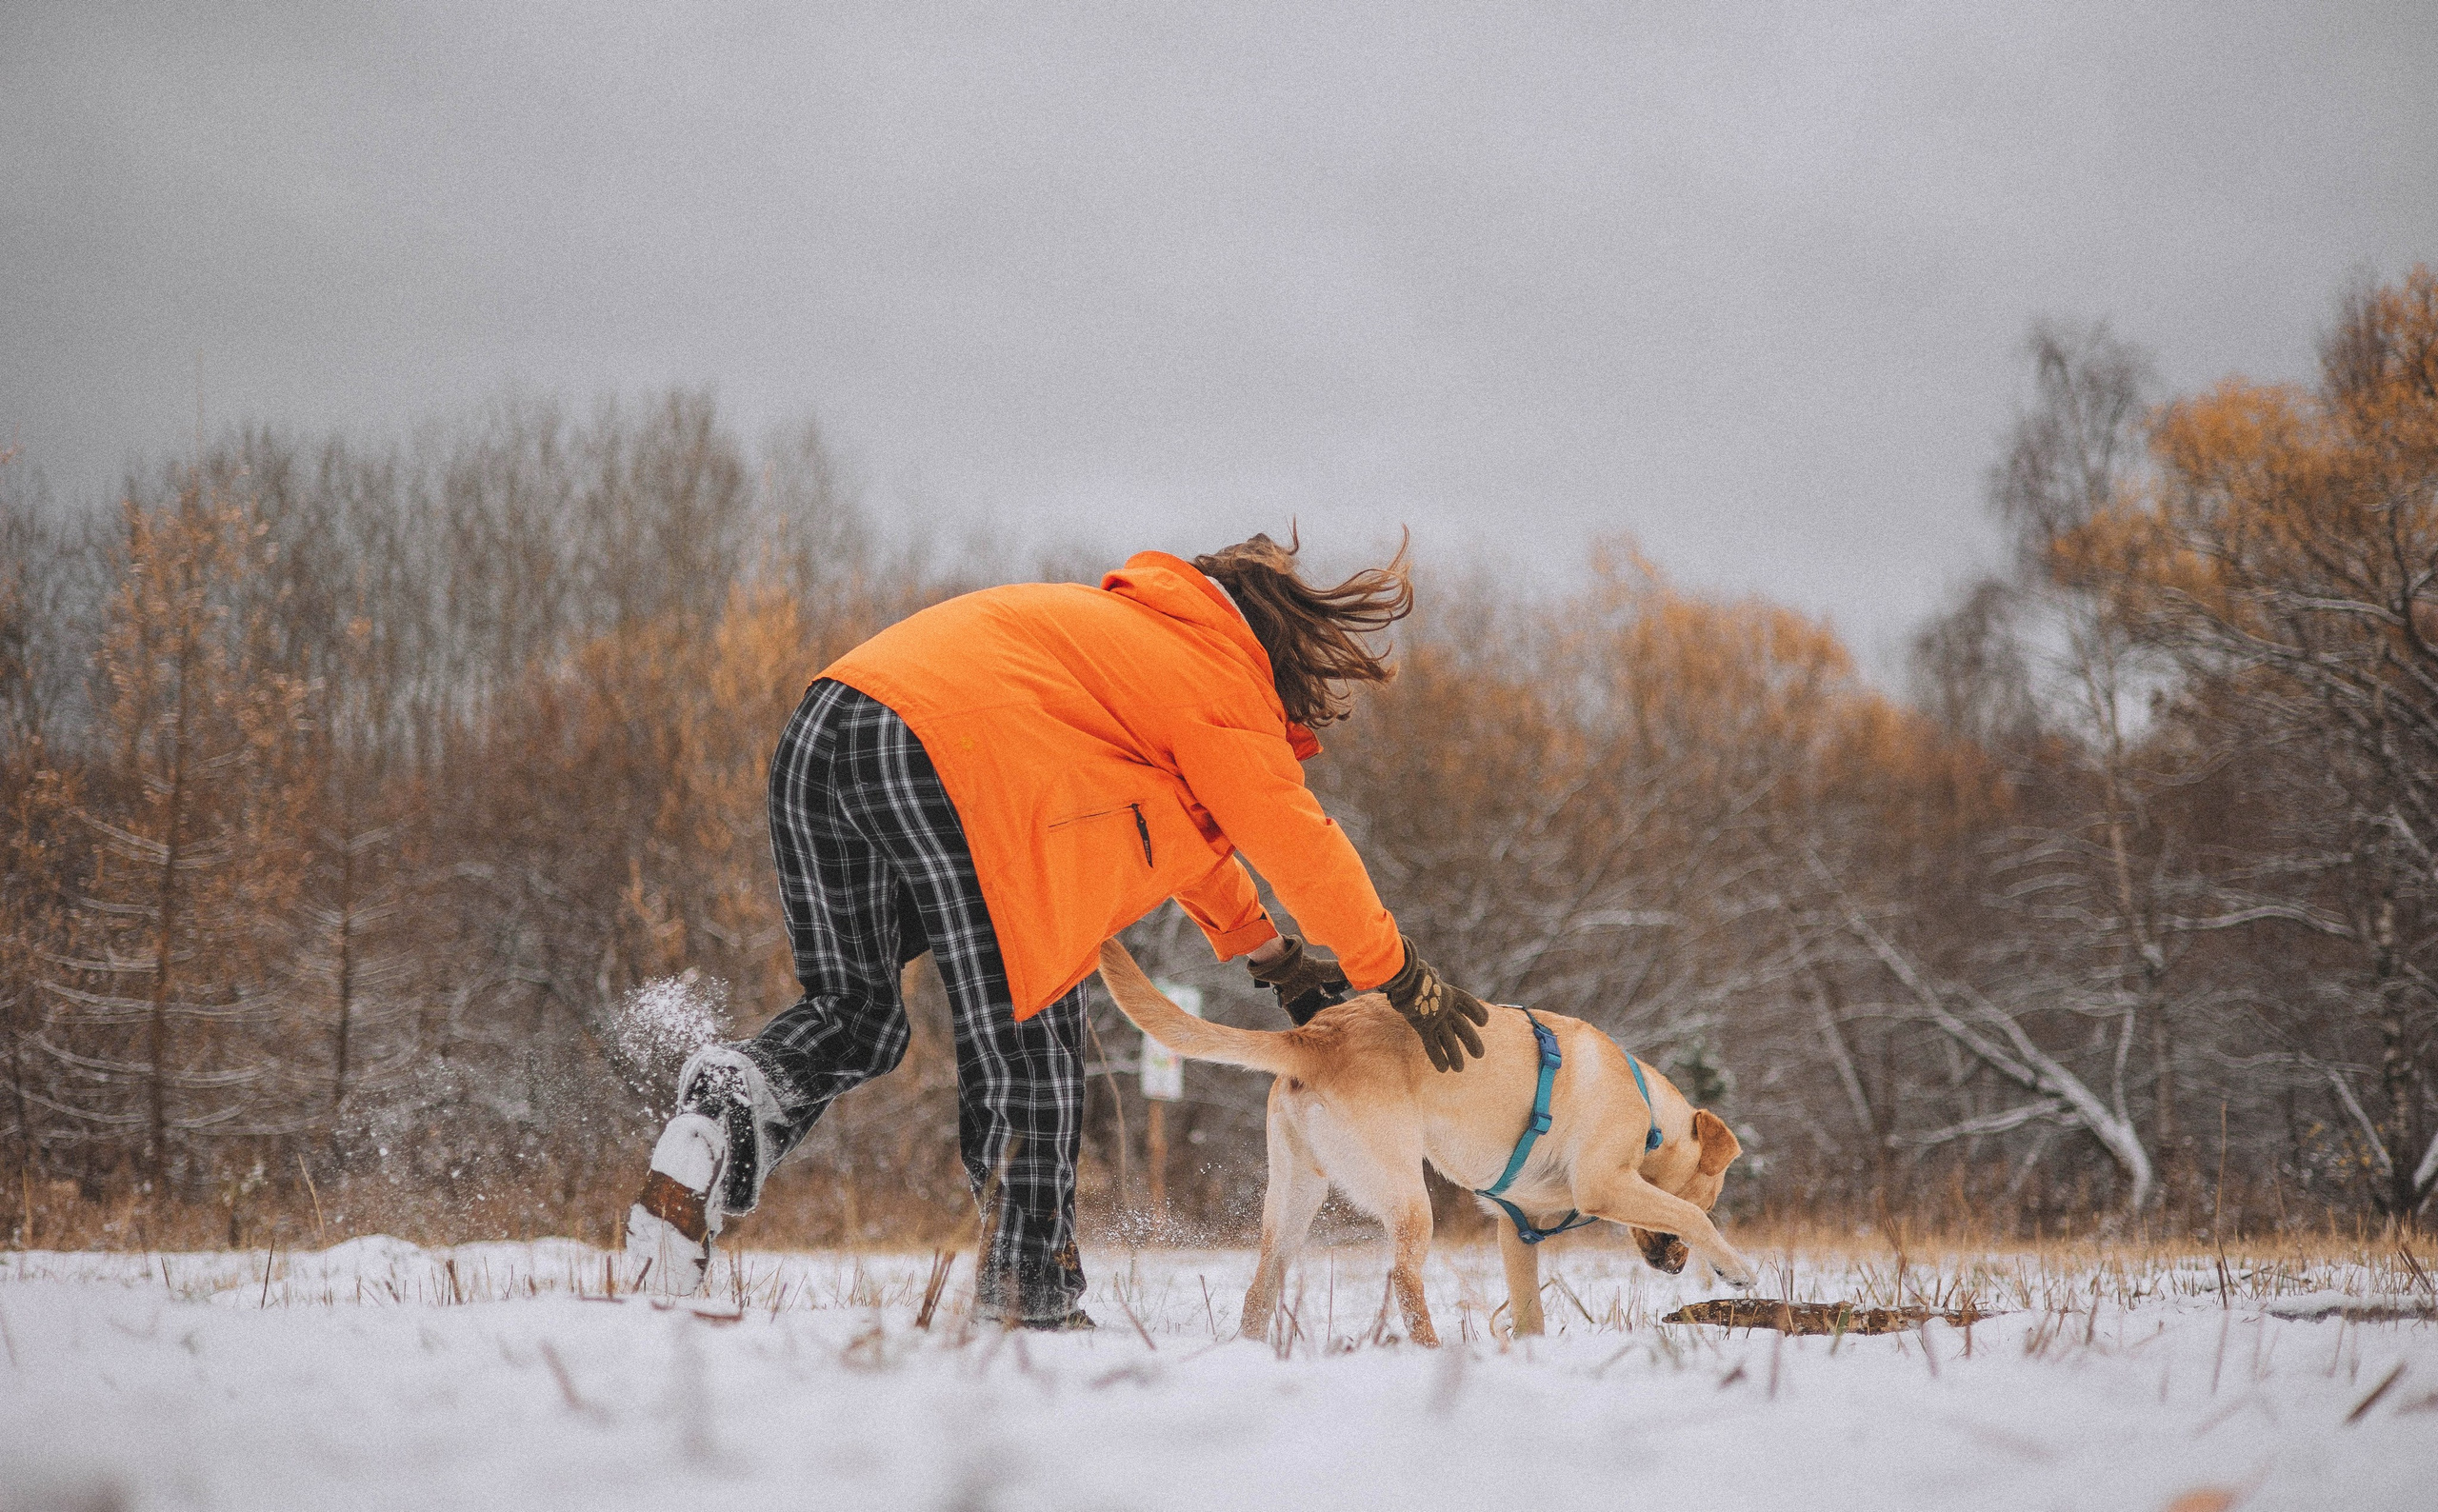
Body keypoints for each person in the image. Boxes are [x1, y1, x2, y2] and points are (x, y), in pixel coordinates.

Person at [624, 533, 1492, 1326]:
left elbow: (1190, 841)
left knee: (856, 1009)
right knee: (1035, 1037)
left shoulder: (1128, 644)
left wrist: (1271, 954)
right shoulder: (1214, 673)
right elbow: (1298, 843)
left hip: (824, 727)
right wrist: (1398, 973)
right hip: (953, 757)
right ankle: (1029, 1300)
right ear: (1272, 632)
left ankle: (729, 1111)